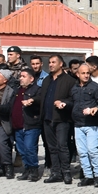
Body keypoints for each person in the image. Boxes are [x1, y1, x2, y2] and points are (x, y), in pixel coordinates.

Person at [40, 55, 75, 184]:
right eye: (49, 62)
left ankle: (66, 172)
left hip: (62, 119)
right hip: (47, 118)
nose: (50, 65)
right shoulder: (46, 80)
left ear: (61, 64)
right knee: (52, 148)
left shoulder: (69, 81)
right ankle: (56, 172)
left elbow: (73, 99)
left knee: (62, 146)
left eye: (53, 62)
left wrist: (64, 103)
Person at [69, 62, 98, 186]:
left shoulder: (96, 87)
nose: (86, 75)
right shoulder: (74, 88)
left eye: (88, 73)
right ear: (77, 74)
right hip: (78, 124)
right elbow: (71, 102)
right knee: (82, 152)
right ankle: (88, 175)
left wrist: (94, 109)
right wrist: (63, 103)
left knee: (92, 150)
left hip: (92, 124)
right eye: (83, 73)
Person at [12, 68, 44, 181]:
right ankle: (27, 169)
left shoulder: (37, 89)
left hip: (31, 124)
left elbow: (40, 99)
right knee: (21, 150)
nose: (21, 78)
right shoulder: (18, 90)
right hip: (18, 125)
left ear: (31, 79)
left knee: (29, 148)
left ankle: (34, 170)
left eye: (23, 76)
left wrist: (32, 100)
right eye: (20, 76)